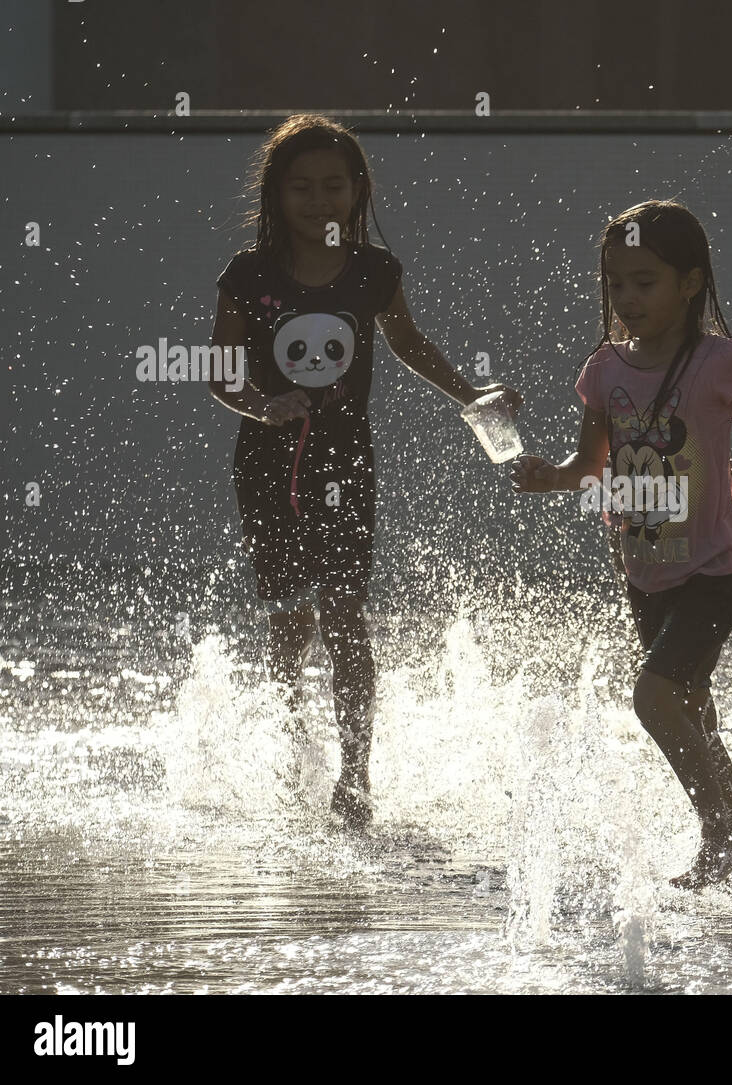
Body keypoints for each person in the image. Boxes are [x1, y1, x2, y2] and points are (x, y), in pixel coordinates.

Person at [208, 114, 520, 830]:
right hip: (266, 461)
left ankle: (355, 774)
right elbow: (219, 373)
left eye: (333, 187)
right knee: (288, 616)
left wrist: (472, 395)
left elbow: (408, 343)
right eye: (301, 188)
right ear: (277, 195)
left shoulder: (374, 269)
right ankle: (294, 744)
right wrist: (263, 403)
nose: (318, 202)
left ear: (357, 192)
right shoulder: (247, 273)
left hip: (346, 460)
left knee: (347, 614)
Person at [513, 200, 732, 889]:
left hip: (714, 569)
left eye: (645, 282)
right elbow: (588, 467)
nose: (627, 298)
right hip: (645, 573)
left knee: (653, 698)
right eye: (616, 282)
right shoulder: (605, 370)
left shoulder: (720, 361)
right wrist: (549, 477)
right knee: (694, 707)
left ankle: (724, 835)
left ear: (689, 283)